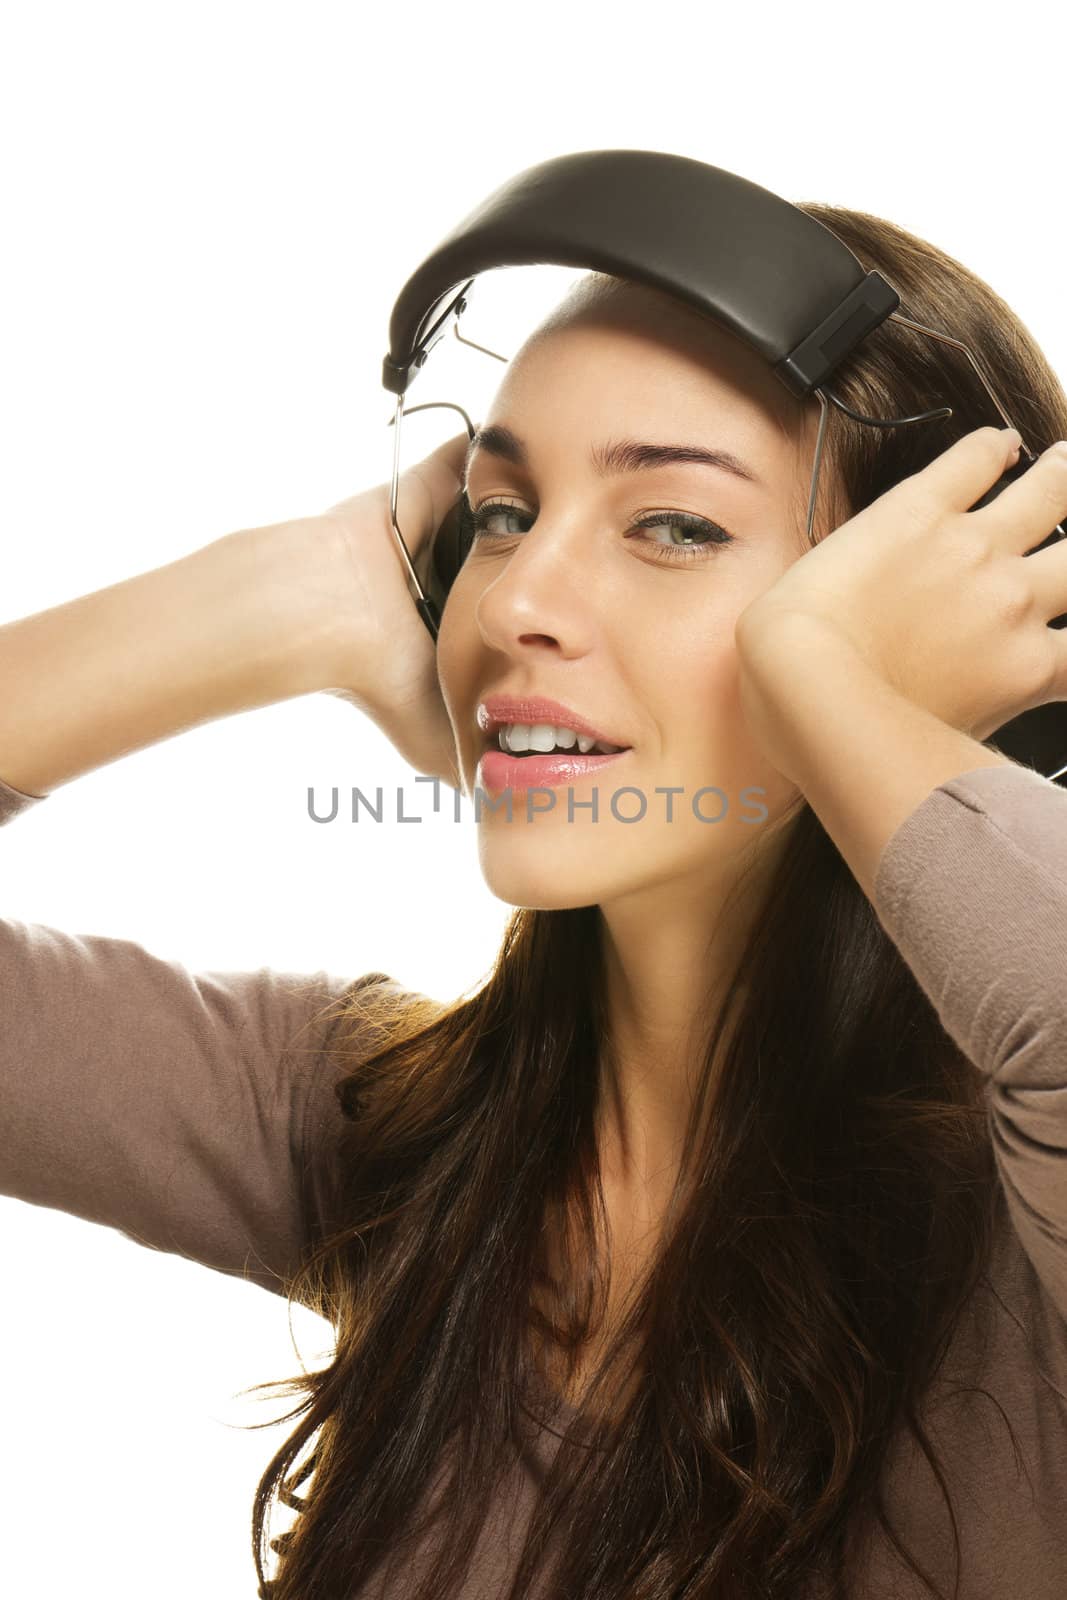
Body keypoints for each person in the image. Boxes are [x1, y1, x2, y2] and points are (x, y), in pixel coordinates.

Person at [3, 200, 1067, 1600]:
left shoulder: (1021, 1240)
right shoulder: (391, 1127)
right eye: (499, 518)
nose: (516, 603)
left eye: (676, 525)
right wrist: (297, 593)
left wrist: (835, 691)